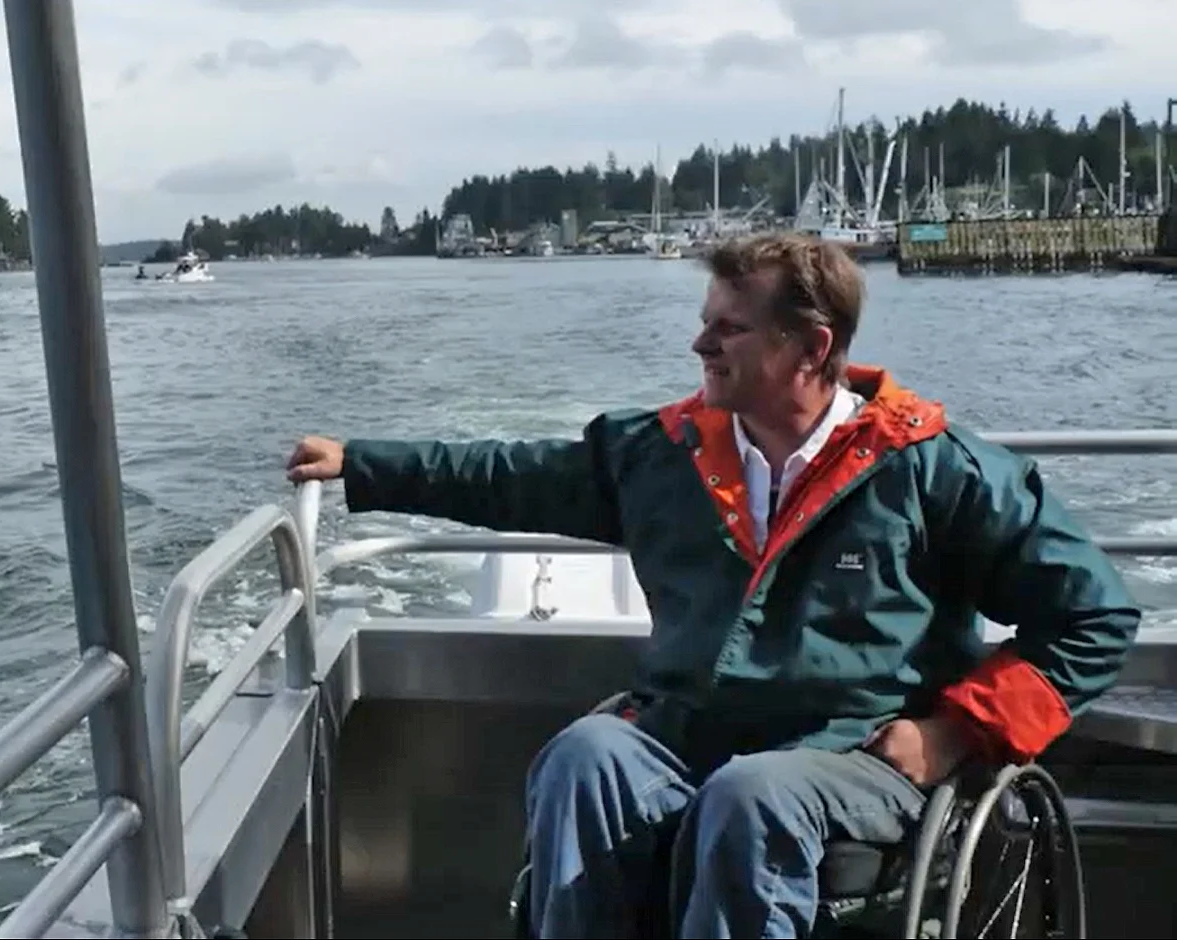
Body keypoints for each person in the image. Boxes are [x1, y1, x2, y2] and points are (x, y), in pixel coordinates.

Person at [283, 232, 1141, 939]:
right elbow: (510, 476)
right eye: (705, 324)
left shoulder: (930, 471)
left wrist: (950, 733)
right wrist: (362, 465)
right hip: (686, 735)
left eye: (728, 329)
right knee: (584, 759)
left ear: (810, 348)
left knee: (751, 794)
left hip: (856, 755)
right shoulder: (665, 455)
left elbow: (1093, 616)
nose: (700, 346)